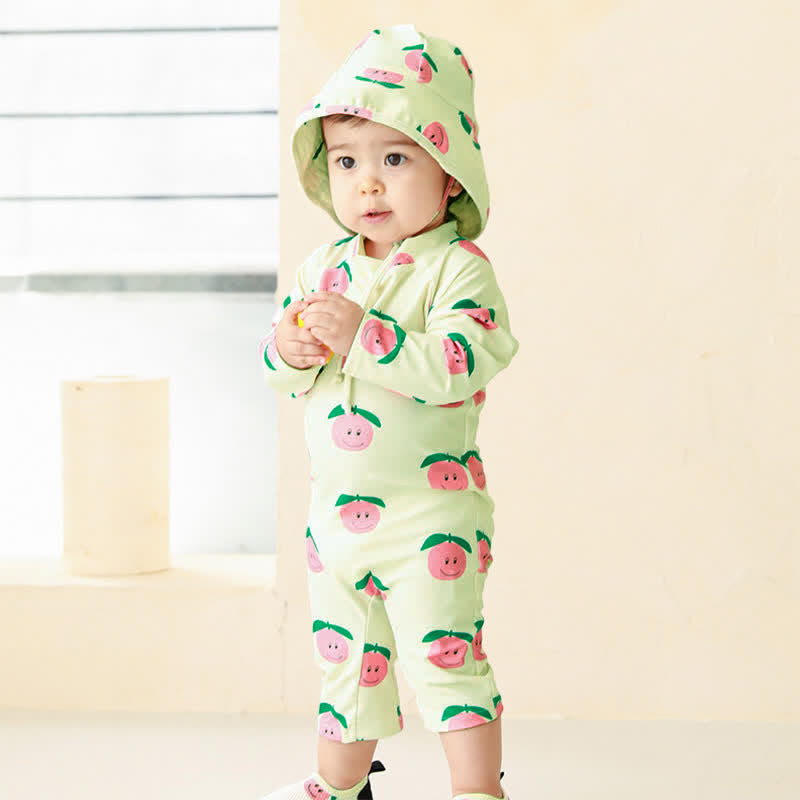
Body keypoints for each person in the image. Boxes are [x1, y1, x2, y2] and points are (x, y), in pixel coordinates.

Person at [260, 23, 519, 800]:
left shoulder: (457, 270)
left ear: (451, 176)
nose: (367, 185)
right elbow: (282, 372)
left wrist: (365, 336)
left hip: (431, 516)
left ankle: (477, 789)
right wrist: (290, 350)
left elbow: (461, 363)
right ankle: (339, 784)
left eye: (395, 159)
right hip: (336, 519)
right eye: (347, 162)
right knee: (347, 660)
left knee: (445, 656)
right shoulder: (323, 268)